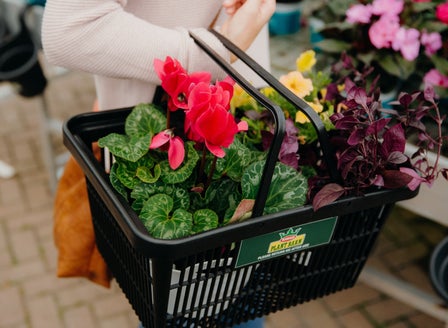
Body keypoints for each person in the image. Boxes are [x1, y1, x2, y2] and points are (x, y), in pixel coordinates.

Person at [42, 1, 275, 327]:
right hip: (171, 132)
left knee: (240, 302)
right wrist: (216, 49)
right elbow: (67, 31)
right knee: (184, 307)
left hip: (241, 116)